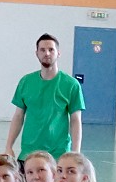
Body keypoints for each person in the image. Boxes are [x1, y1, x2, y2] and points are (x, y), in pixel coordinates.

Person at [5, 33, 84, 161]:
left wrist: (76, 153)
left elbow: (75, 120)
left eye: (51, 49)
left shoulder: (71, 85)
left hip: (58, 155)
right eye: (42, 50)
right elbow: (18, 116)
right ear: (37, 53)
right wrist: (9, 146)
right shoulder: (26, 82)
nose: (47, 53)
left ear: (58, 53)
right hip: (28, 154)